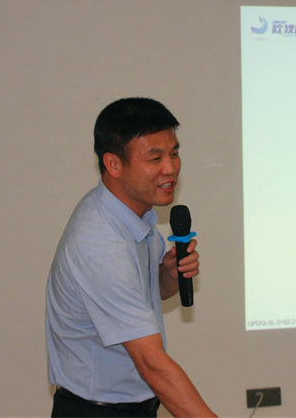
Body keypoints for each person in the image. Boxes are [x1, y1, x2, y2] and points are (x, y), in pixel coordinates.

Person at [46, 97, 217, 418]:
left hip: (135, 407)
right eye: (155, 158)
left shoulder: (130, 213)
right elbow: (152, 364)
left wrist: (167, 275)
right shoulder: (100, 244)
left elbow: (147, 293)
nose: (171, 168)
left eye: (174, 153)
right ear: (114, 164)